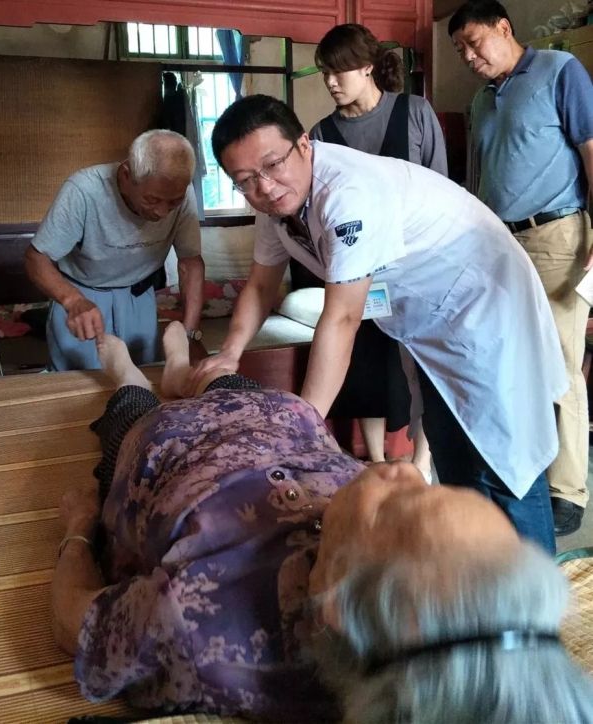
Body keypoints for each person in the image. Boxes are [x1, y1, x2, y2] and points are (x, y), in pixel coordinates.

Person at [52, 327, 593, 721]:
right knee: (219, 377)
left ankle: (128, 372)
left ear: (336, 598)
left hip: (166, 448)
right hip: (280, 421)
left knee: (132, 403)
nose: (405, 470)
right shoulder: (391, 596)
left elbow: (72, 620)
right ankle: (180, 366)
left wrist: (78, 531)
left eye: (395, 505)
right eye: (431, 488)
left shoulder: (197, 622)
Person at [192, 93, 567, 555]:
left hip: (486, 308)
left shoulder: (348, 193)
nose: (265, 187)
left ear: (304, 145)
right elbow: (260, 285)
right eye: (246, 180)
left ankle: (535, 585)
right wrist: (229, 353)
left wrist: (301, 428)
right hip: (431, 324)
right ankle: (476, 574)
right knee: (452, 451)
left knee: (504, 465)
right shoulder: (278, 206)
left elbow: (342, 317)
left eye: (272, 165)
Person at [448, 0, 593, 536]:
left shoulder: (559, 71)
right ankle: (524, 468)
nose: (468, 56)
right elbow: (479, 177)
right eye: (459, 49)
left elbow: (592, 150)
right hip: (498, 243)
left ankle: (568, 488)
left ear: (504, 28)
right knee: (506, 362)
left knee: (560, 360)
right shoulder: (482, 99)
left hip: (555, 235)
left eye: (473, 42)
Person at [307, 22, 449, 479]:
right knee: (366, 362)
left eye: (339, 70)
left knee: (423, 365)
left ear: (367, 67)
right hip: (360, 270)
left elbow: (441, 190)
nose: (330, 81)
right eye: (325, 73)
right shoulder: (322, 134)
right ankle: (376, 461)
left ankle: (421, 465)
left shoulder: (414, 111)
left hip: (418, 267)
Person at [25, 129, 205, 371]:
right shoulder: (84, 190)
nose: (162, 212)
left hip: (138, 296)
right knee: (81, 380)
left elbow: (190, 263)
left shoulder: (182, 192)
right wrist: (72, 300)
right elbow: (36, 258)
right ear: (127, 175)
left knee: (144, 378)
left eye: (173, 202)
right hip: (83, 296)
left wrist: (190, 334)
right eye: (152, 200)